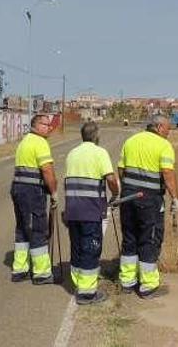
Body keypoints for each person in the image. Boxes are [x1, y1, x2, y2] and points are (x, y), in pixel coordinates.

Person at [117, 114, 178, 298]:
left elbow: (121, 169)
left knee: (129, 237)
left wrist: (130, 187)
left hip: (128, 197)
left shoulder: (131, 141)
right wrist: (175, 198)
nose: (169, 132)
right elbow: (167, 173)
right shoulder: (163, 145)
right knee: (149, 239)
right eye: (168, 129)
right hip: (150, 200)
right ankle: (148, 285)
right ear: (159, 127)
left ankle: (127, 282)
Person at [64, 121, 120, 305]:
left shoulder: (72, 153)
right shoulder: (100, 153)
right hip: (90, 210)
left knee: (77, 247)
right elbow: (110, 178)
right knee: (91, 248)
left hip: (73, 209)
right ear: (96, 136)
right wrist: (116, 193)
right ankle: (87, 293)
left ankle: (79, 284)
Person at [10, 114, 59, 285]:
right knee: (38, 229)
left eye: (49, 125)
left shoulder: (25, 141)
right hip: (31, 191)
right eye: (45, 124)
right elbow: (47, 170)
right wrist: (53, 192)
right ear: (36, 125)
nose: (49, 128)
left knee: (23, 229)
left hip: (18, 189)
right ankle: (41, 273)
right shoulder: (40, 143)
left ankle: (20, 268)